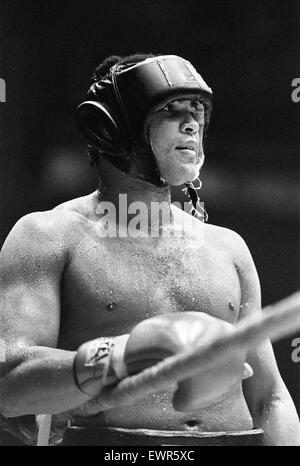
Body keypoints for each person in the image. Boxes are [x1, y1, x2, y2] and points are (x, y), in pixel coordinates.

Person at [0, 53, 299, 447]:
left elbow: (269, 396)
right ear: (110, 127)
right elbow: (8, 380)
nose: (192, 125)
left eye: (198, 112)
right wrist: (122, 354)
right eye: (172, 110)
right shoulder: (50, 235)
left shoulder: (228, 248)